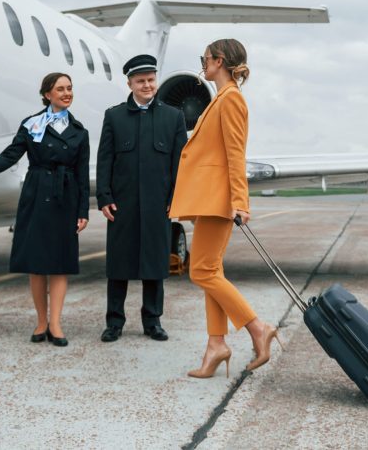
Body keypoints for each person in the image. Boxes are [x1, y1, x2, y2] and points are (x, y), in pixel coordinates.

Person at [0, 72, 89, 347]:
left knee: (60, 265)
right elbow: (8, 157)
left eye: (70, 88)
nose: (67, 93)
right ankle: (41, 322)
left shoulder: (79, 131)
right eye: (61, 89)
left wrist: (82, 211)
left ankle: (56, 324)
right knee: (37, 265)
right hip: (36, 196)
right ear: (47, 94)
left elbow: (82, 175)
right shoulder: (32, 124)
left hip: (65, 198)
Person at [169, 39, 278, 378]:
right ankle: (216, 345)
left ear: (218, 61)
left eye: (205, 58)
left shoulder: (231, 100)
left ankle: (258, 328)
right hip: (210, 198)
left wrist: (240, 202)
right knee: (210, 270)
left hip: (220, 201)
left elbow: (236, 154)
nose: (202, 63)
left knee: (202, 272)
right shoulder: (220, 99)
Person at [96, 54, 187, 342]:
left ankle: (152, 321)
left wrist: (178, 197)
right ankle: (114, 322)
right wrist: (104, 196)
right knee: (118, 265)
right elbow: (105, 160)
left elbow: (180, 163)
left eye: (151, 80)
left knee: (155, 264)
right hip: (122, 203)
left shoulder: (174, 117)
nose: (147, 85)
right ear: (130, 83)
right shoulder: (114, 116)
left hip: (158, 203)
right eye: (141, 81)